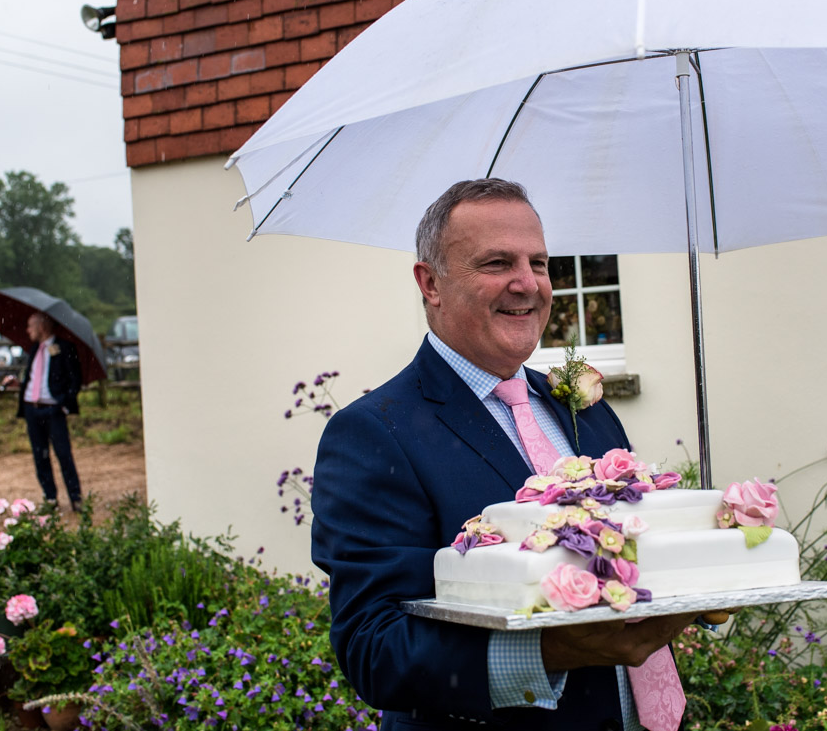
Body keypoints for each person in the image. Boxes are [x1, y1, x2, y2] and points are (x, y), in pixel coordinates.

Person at [311, 179, 729, 731]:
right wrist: (548, 652)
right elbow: (375, 648)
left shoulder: (581, 405)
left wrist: (702, 579)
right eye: (496, 263)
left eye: (539, 262)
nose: (527, 284)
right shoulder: (373, 433)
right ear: (429, 282)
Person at [2, 312, 84, 511]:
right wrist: (18, 385)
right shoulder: (34, 350)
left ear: (42, 327)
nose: (28, 330)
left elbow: (75, 380)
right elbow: (35, 379)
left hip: (53, 410)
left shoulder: (64, 348)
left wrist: (63, 404)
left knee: (63, 454)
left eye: (31, 326)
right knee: (40, 455)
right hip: (32, 408)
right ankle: (50, 499)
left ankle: (76, 497)